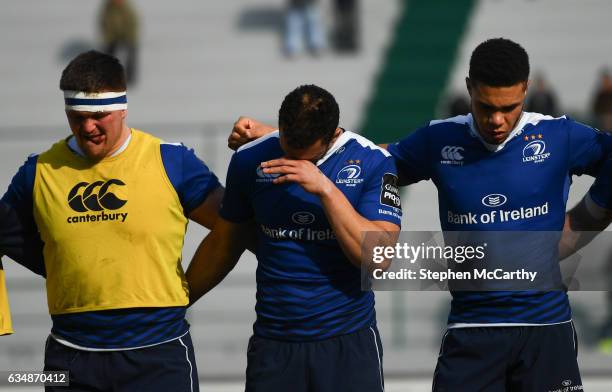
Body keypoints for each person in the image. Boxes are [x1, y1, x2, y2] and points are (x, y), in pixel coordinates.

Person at [228, 38, 612, 391]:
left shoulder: (560, 136)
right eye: (486, 107)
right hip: (471, 327)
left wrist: (587, 217)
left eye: (509, 108)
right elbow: (366, 158)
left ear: (526, 91)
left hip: (546, 326)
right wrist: (277, 137)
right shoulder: (440, 139)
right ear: (469, 89)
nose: (497, 120)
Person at [1, 50, 224, 392]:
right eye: (76, 116)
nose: (87, 126)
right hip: (68, 360)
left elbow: (233, 226)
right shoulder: (38, 172)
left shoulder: (171, 161)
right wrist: (63, 267)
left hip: (159, 354)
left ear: (122, 108)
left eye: (99, 114)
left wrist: (187, 290)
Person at [187, 84, 402, 391]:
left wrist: (326, 189)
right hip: (275, 345)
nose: (296, 163)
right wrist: (175, 304)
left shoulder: (372, 161)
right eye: (289, 150)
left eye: (308, 158)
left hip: (348, 343)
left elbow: (378, 259)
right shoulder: (250, 159)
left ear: (331, 137)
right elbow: (225, 243)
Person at [99, 0, 139, 85]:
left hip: (128, 35)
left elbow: (133, 23)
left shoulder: (127, 8)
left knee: (131, 55)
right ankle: (109, 77)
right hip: (113, 36)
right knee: (108, 56)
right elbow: (104, 23)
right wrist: (109, 37)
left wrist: (129, 37)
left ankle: (130, 78)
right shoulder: (108, 8)